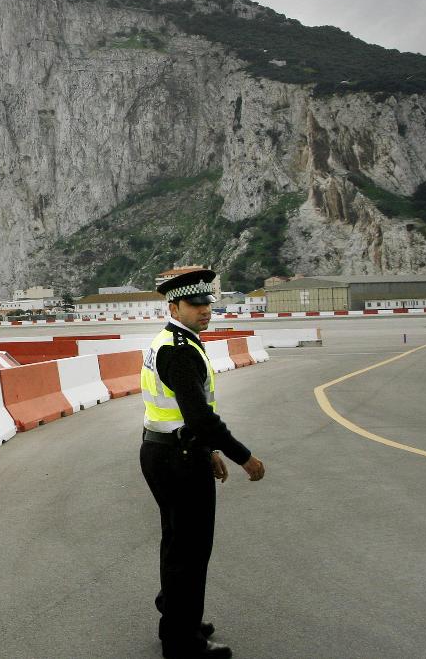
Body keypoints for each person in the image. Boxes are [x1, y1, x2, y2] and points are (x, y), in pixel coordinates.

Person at [139, 268, 266, 659]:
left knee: (177, 544)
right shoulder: (178, 350)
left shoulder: (173, 341)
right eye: (195, 305)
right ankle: (182, 642)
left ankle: (179, 619)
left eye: (206, 303)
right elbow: (201, 418)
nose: (204, 311)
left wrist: (207, 450)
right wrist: (243, 456)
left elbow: (186, 414)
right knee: (191, 551)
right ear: (174, 305)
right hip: (177, 458)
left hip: (166, 451)